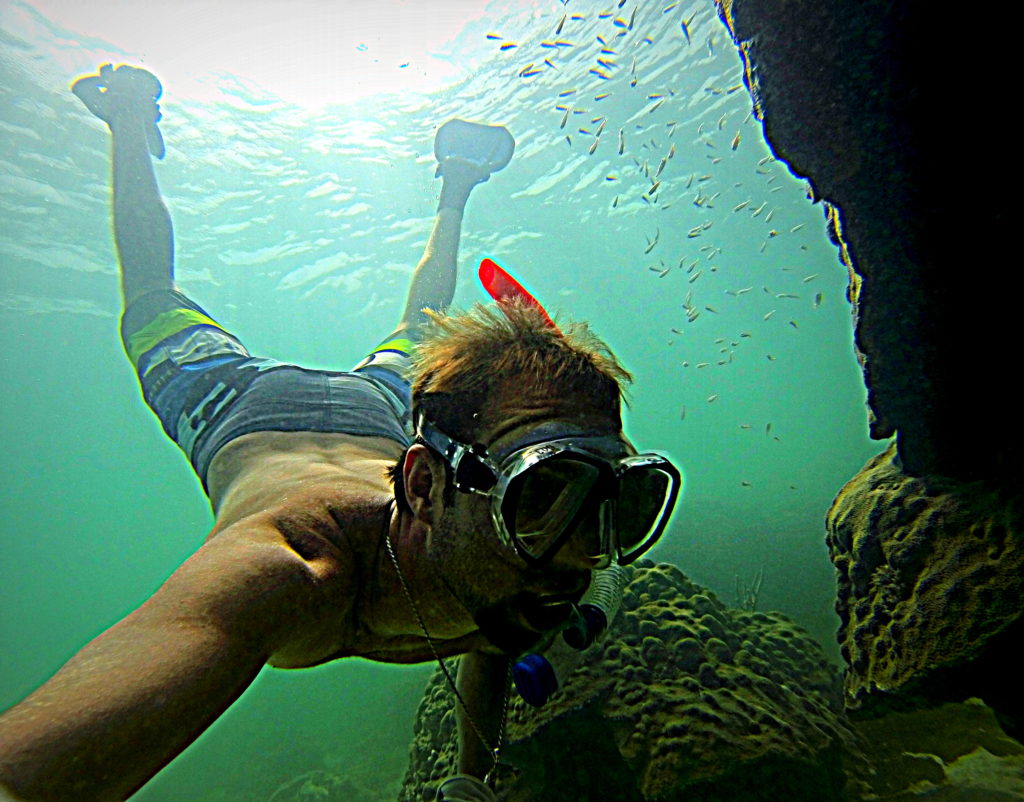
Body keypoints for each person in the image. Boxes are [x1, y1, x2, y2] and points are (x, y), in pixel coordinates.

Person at [0, 64, 681, 802]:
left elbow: (491, 634)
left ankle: (457, 182)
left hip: (375, 412)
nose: (580, 560)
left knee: (419, 329)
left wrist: (470, 776)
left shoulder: (501, 559)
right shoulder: (291, 569)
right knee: (150, 300)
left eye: (622, 504)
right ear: (423, 486)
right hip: (238, 405)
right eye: (539, 497)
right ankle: (128, 119)